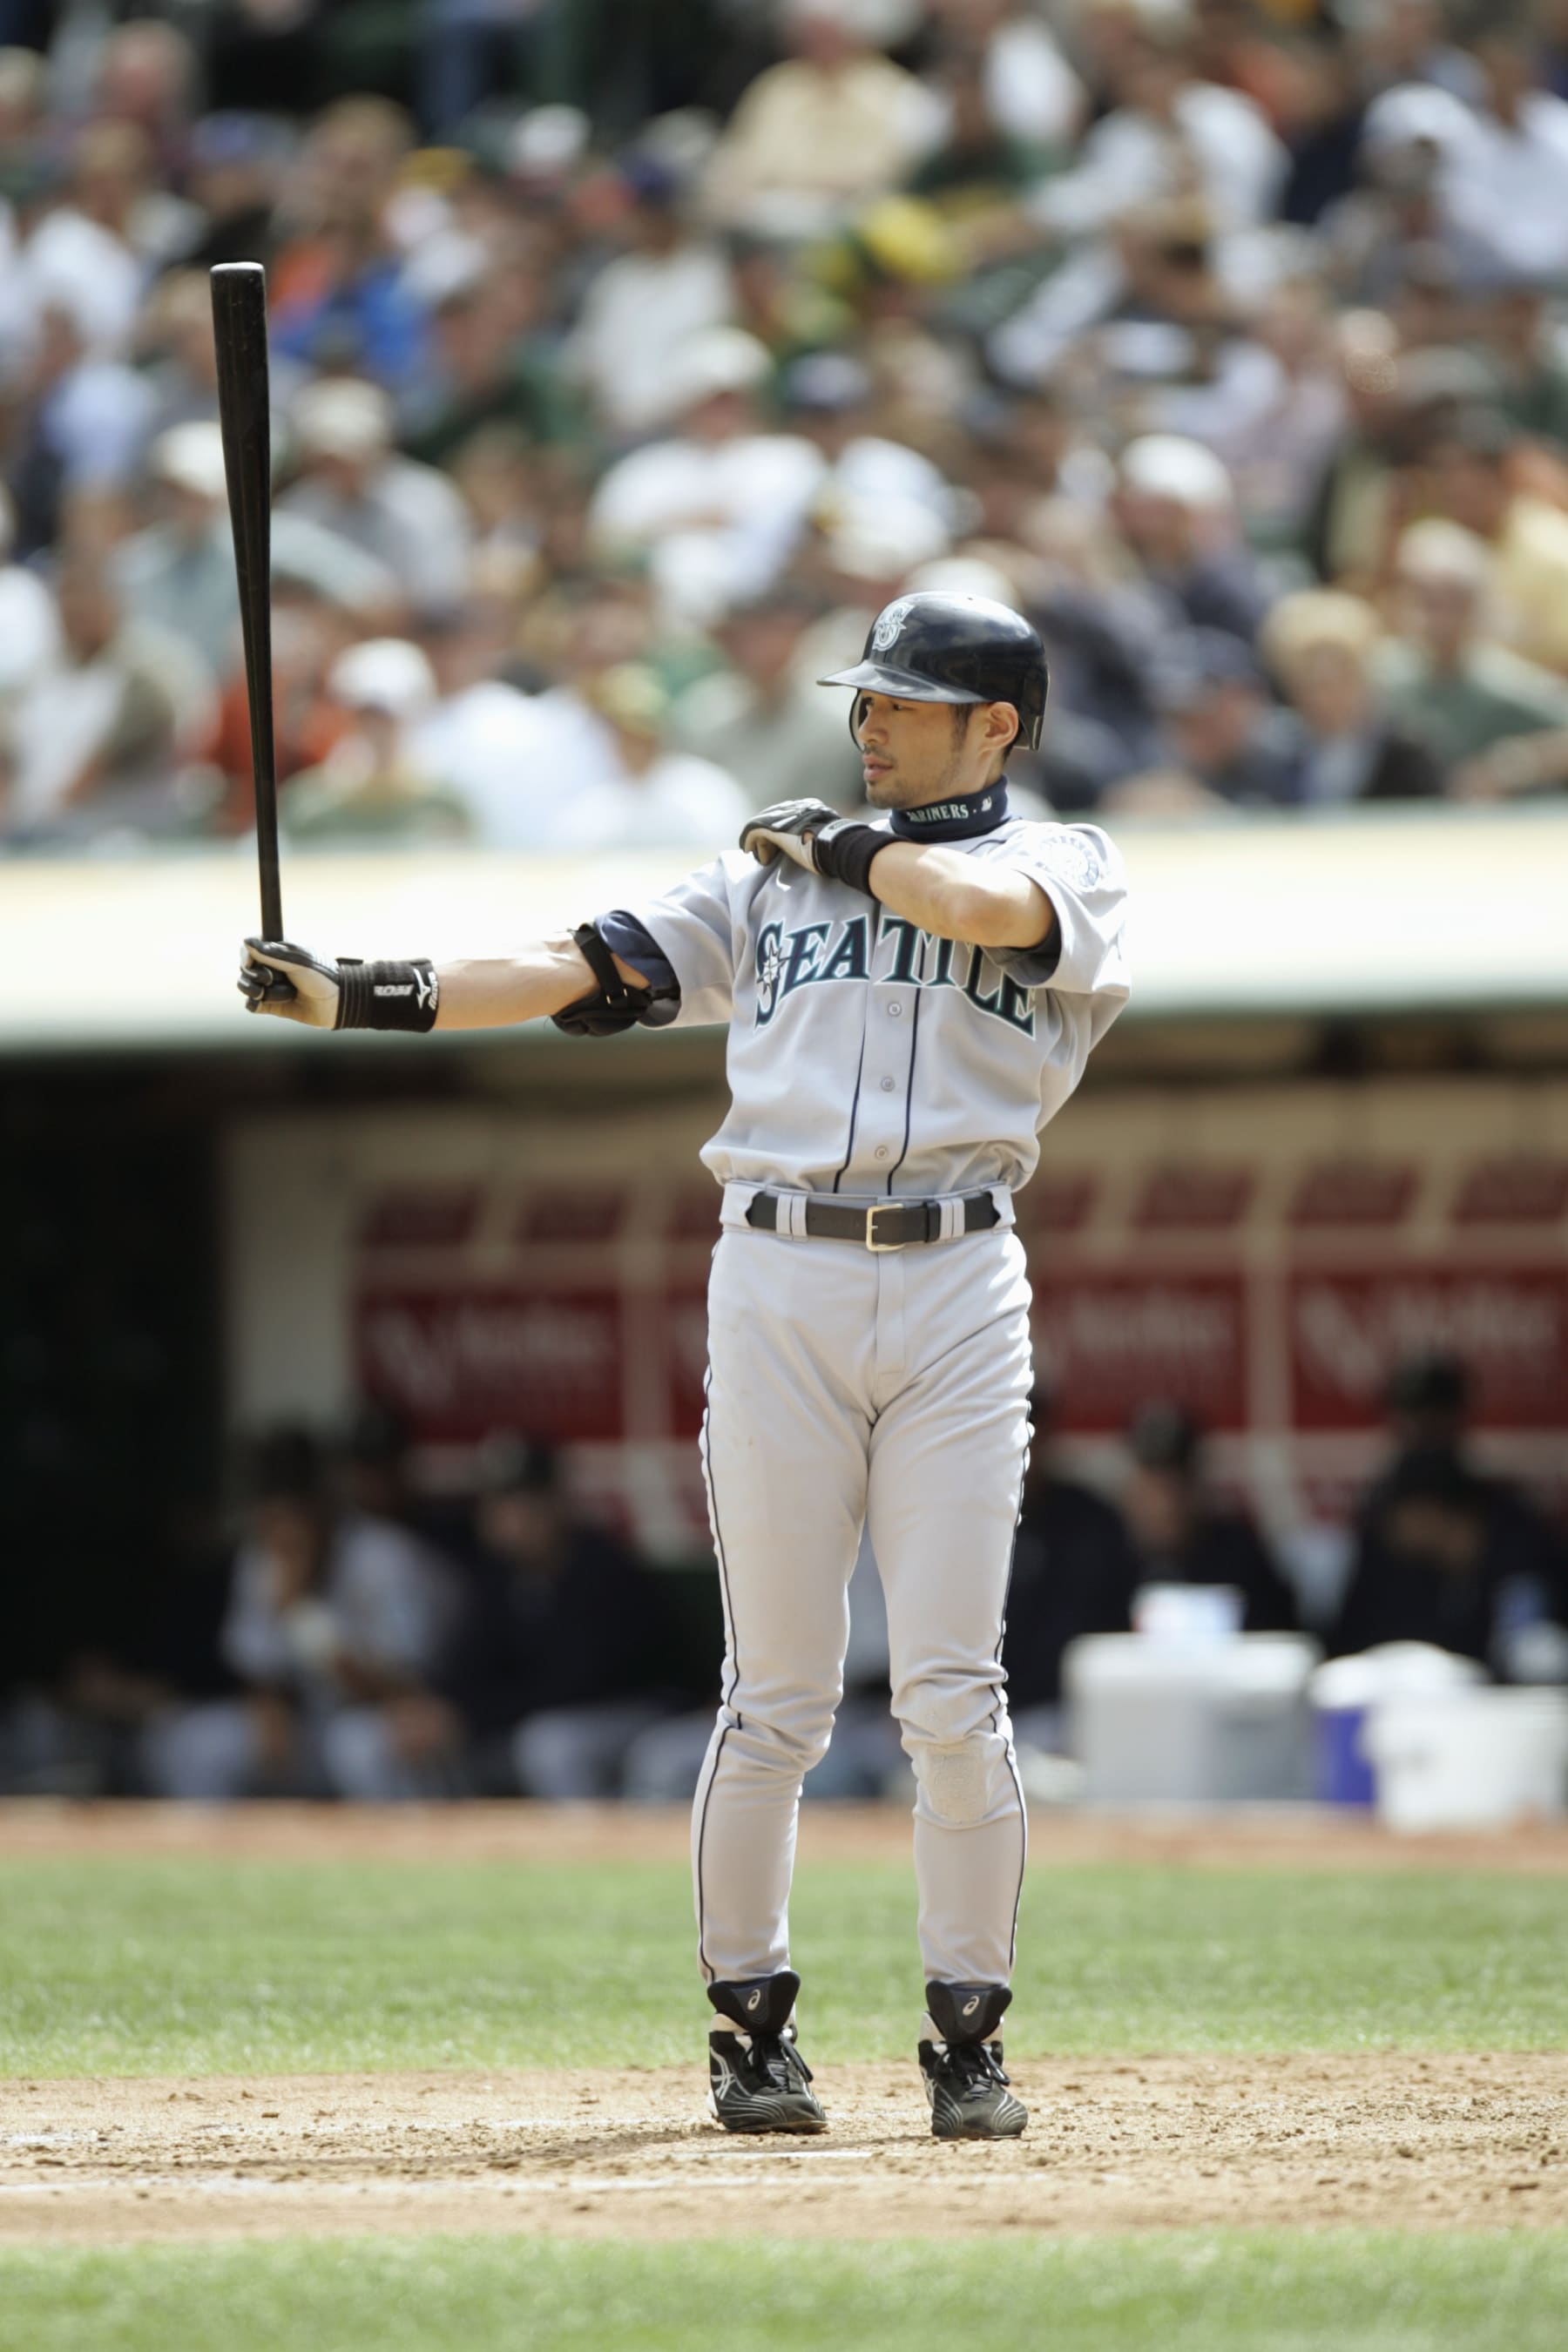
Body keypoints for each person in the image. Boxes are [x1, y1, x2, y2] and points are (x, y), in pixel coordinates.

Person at [239, 586, 1130, 2142]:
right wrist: (370, 995)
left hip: (962, 1282)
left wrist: (841, 850)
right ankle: (751, 2028)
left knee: (948, 1690)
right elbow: (575, 967)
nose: (869, 722)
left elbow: (988, 920)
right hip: (776, 1271)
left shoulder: (1061, 860)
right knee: (774, 1692)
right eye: (866, 698)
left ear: (997, 724)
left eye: (905, 701)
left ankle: (968, 2037)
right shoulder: (766, 877)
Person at [449, 1440, 677, 1799]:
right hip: (547, 1717)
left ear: (556, 1502)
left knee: (550, 1746)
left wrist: (473, 1716)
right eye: (500, 1502)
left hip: (642, 1709)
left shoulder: (599, 1567)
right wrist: (453, 1713)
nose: (512, 1517)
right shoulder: (496, 1577)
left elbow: (577, 1684)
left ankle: (588, 1854)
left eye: (525, 1501)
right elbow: (468, 1668)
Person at [1121, 1405, 1299, 1632]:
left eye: (1177, 1485)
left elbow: (1279, 1639)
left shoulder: (1238, 1556)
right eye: (1153, 1486)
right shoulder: (1105, 1559)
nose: (1165, 1505)